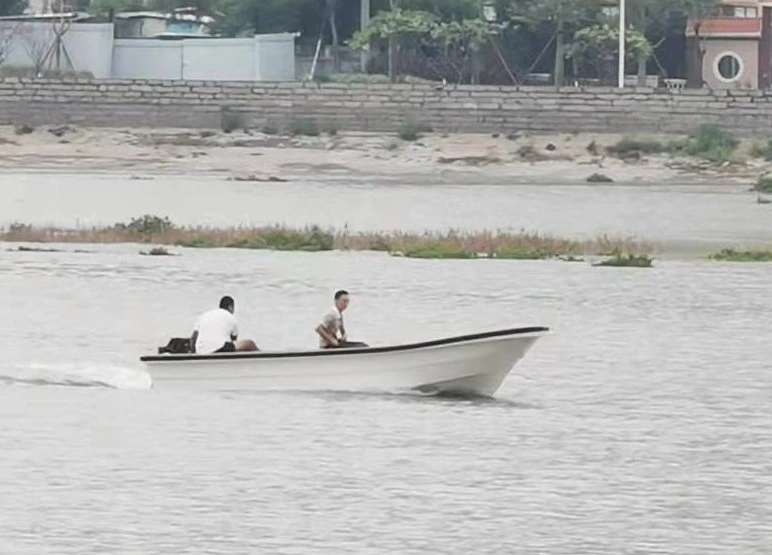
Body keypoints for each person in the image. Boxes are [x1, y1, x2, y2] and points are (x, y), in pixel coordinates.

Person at [191, 296, 258, 354]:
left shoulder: (204, 315)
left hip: (201, 352)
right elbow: (233, 340)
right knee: (250, 344)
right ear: (230, 307)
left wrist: (195, 353)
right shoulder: (231, 317)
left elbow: (193, 338)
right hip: (220, 350)